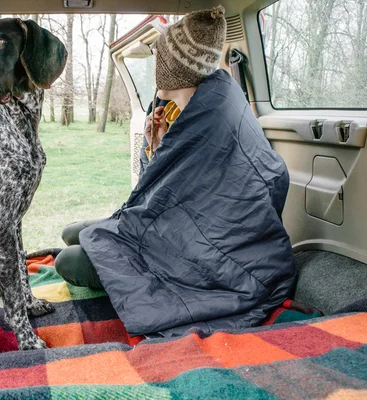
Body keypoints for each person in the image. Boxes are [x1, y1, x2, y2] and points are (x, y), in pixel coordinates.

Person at [55, 6, 297, 338]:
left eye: (160, 59)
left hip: (215, 260)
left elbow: (190, 199)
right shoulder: (190, 109)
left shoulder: (211, 118)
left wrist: (163, 154)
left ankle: (136, 289)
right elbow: (159, 190)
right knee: (73, 232)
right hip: (169, 231)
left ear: (174, 70)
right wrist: (156, 146)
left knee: (67, 262)